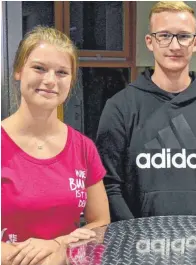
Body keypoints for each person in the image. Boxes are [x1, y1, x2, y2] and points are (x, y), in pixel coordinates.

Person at [95, 1, 196, 222]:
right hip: (138, 246)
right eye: (164, 36)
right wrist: (133, 233)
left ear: (195, 43)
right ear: (150, 42)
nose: (174, 46)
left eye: (183, 36)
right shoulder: (119, 107)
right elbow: (108, 183)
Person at [1, 26, 110, 265]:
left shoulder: (84, 148)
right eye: (39, 68)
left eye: (62, 72)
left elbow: (100, 223)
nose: (50, 80)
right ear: (19, 71)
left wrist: (59, 245)